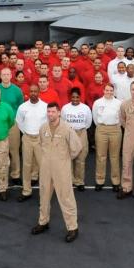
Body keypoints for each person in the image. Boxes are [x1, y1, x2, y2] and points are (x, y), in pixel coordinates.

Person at [30, 102, 82, 243]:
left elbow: (77, 147)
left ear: (59, 113)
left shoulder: (67, 129)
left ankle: (72, 227)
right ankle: (43, 222)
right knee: (44, 195)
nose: (50, 114)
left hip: (61, 168)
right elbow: (41, 145)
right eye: (49, 112)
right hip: (46, 167)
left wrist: (64, 159)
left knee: (66, 197)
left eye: (53, 112)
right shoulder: (43, 128)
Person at [15, 84, 48, 202]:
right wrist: (26, 132)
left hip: (40, 139)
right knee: (27, 165)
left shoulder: (45, 106)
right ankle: (26, 191)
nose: (33, 93)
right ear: (28, 92)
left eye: (35, 91)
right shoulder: (23, 107)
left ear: (39, 92)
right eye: (31, 91)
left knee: (43, 166)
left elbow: (48, 123)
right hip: (27, 138)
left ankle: (45, 191)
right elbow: (19, 122)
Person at [60, 88, 92, 191]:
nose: (75, 99)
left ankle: (79, 181)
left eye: (77, 97)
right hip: (69, 133)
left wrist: (80, 130)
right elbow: (62, 122)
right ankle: (69, 180)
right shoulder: (65, 108)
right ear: (70, 97)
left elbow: (88, 122)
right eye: (73, 97)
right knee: (68, 158)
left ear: (80, 97)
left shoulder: (85, 108)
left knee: (80, 158)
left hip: (81, 132)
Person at [92, 83, 122, 191]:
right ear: (103, 90)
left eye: (111, 90)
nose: (109, 92)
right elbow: (95, 117)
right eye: (107, 90)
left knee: (114, 157)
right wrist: (101, 126)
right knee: (101, 156)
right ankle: (100, 180)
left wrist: (116, 126)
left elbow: (122, 117)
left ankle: (115, 181)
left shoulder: (119, 103)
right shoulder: (97, 102)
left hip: (115, 130)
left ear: (114, 91)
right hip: (101, 129)